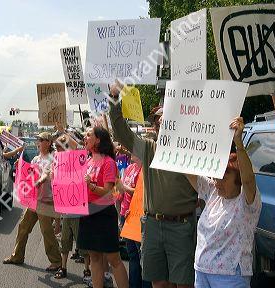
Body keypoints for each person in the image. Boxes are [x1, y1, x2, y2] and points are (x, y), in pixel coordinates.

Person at [109, 81, 197, 288]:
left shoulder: (190, 151)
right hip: (152, 226)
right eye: (158, 123)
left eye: (165, 122)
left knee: (184, 284)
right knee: (158, 283)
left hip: (182, 226)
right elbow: (122, 133)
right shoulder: (149, 148)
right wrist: (114, 100)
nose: (160, 126)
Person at [183, 117, 261, 288]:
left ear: (238, 179)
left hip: (231, 276)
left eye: (224, 178)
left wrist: (238, 144)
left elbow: (249, 180)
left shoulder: (246, 201)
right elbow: (187, 170)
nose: (217, 182)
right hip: (202, 272)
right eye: (216, 177)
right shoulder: (213, 192)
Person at [78, 126, 129, 288]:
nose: (85, 138)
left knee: (113, 258)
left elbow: (108, 191)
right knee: (94, 257)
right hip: (88, 213)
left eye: (88, 135)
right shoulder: (88, 161)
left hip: (104, 214)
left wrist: (91, 186)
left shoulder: (108, 162)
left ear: (98, 140)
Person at [3, 132, 62, 271]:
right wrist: (20, 167)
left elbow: (50, 176)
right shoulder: (35, 159)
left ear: (48, 142)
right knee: (23, 227)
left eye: (41, 140)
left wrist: (42, 179)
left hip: (47, 201)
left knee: (47, 232)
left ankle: (57, 261)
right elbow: (30, 176)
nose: (38, 142)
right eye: (38, 140)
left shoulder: (54, 158)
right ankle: (17, 256)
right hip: (35, 200)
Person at [52, 135, 91, 280]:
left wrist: (65, 135)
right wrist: (53, 178)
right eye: (56, 147)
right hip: (66, 212)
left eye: (59, 147)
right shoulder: (57, 164)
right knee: (64, 242)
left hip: (78, 212)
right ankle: (64, 268)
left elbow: (79, 148)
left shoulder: (78, 161)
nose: (57, 150)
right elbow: (56, 189)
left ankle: (87, 270)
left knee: (82, 243)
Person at [116, 155, 150, 288]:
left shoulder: (145, 170)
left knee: (143, 258)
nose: (131, 152)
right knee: (132, 255)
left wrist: (123, 187)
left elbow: (142, 193)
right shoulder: (130, 168)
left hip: (139, 218)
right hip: (127, 216)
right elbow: (120, 191)